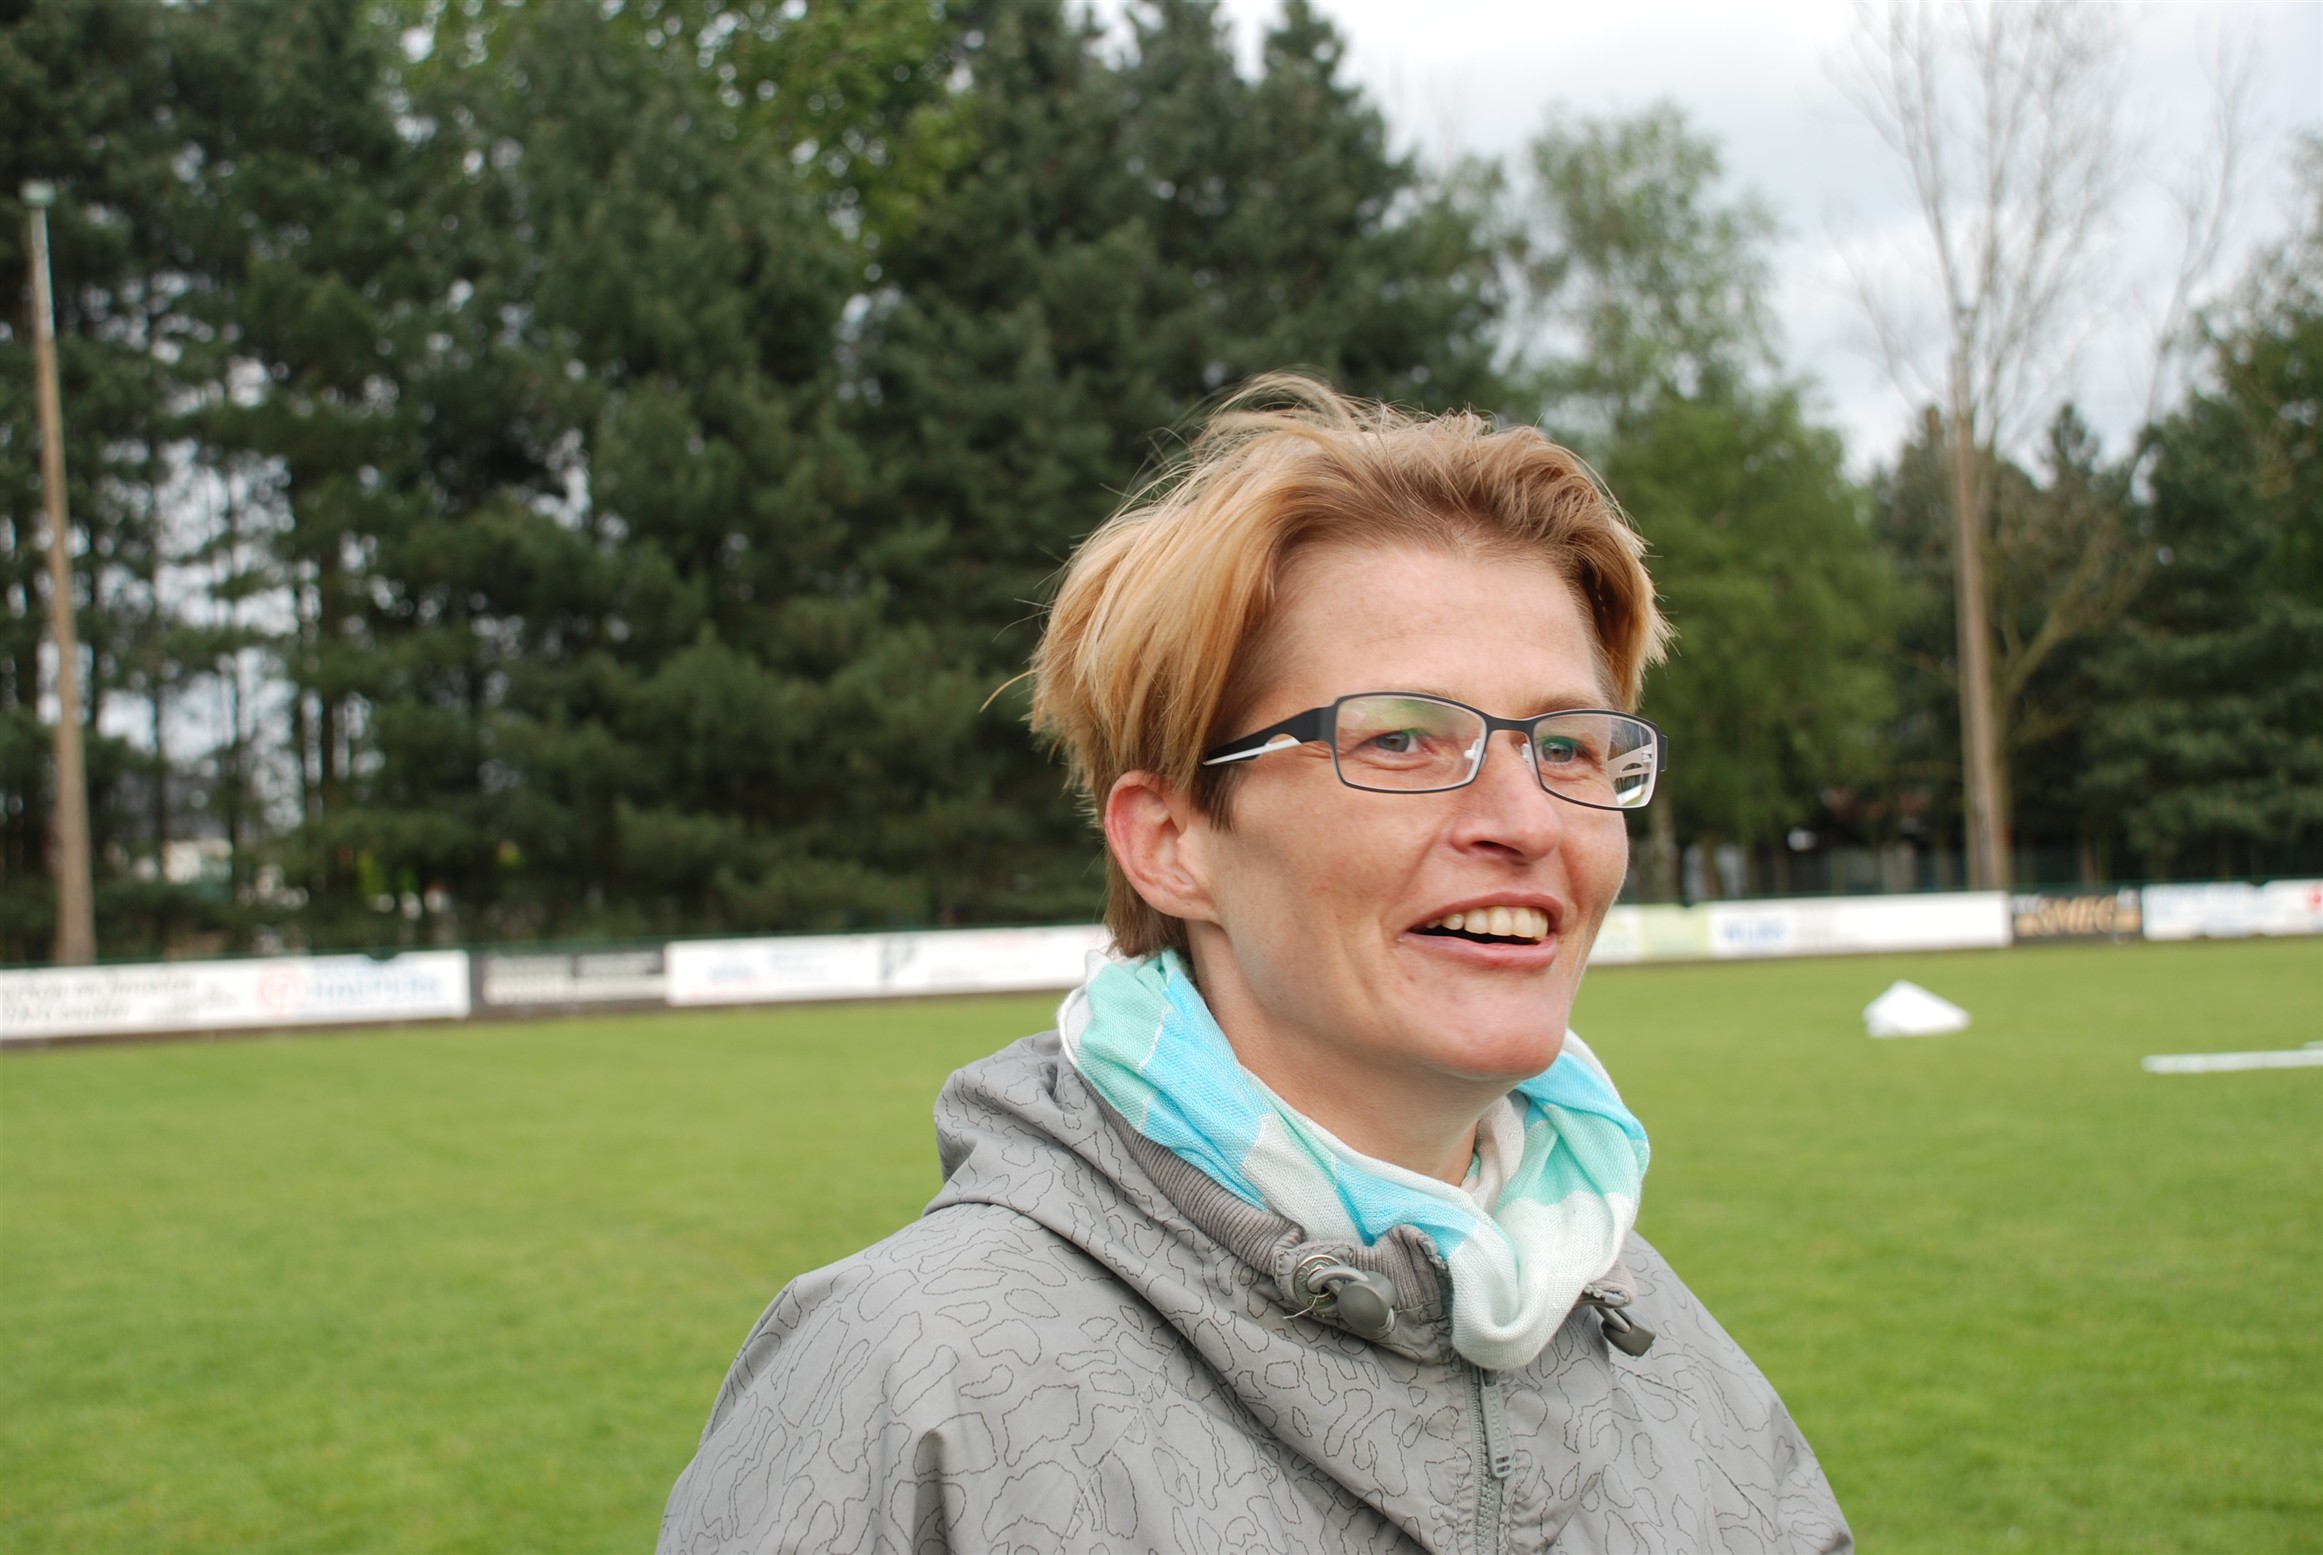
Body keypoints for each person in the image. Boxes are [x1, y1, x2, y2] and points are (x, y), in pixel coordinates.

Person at [659, 378, 1852, 1554]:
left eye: (1571, 747)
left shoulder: (1685, 1376)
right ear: (1171, 842)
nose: (1528, 822)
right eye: (1401, 737)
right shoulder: (909, 1388)